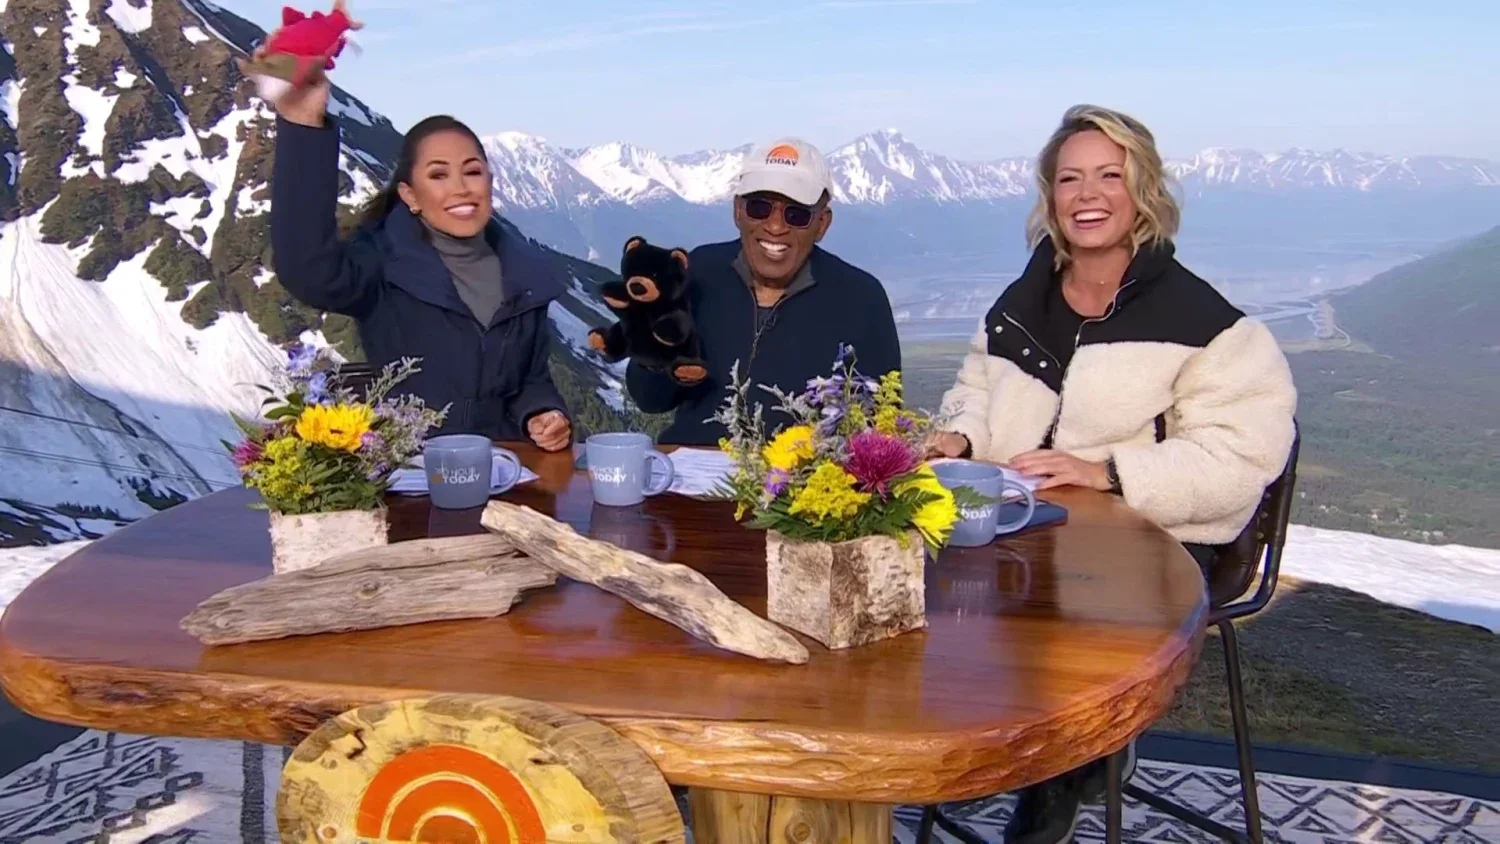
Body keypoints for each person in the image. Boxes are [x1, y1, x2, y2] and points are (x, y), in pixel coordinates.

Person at [931, 104, 1296, 843]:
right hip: (1030, 527)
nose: (1087, 194)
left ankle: (1057, 789)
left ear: (1143, 193)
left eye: (1110, 175)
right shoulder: (1022, 300)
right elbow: (975, 385)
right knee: (910, 580)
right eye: (1070, 178)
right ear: (1050, 195)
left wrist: (1107, 472)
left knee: (1070, 609)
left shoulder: (1207, 322)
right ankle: (981, 751)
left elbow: (1242, 458)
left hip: (1162, 538)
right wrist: (960, 435)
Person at [267, 60, 572, 451]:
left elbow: (530, 380)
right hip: (409, 473)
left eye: (473, 172)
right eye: (439, 175)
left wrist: (543, 412)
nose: (461, 188)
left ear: (491, 182)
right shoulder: (382, 263)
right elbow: (307, 270)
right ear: (410, 195)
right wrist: (303, 126)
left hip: (506, 472)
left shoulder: (527, 277)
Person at [624, 137, 901, 444]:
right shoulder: (696, 273)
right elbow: (650, 400)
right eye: (759, 207)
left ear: (822, 224)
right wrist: (653, 351)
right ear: (737, 211)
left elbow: (878, 423)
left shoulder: (860, 298)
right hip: (688, 477)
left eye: (796, 214)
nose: (775, 227)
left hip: (801, 485)